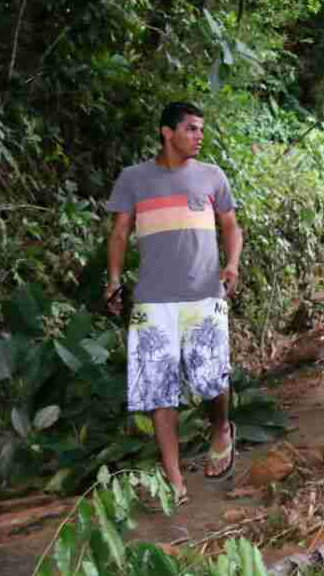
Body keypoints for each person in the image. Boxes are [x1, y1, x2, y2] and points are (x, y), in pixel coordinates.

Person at [104, 102, 242, 508]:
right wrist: (113, 279)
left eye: (201, 129)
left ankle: (221, 429)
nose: (199, 136)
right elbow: (119, 233)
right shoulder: (134, 179)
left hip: (205, 294)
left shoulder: (212, 176)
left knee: (212, 379)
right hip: (152, 299)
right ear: (167, 132)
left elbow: (231, 226)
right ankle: (175, 477)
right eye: (191, 129)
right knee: (158, 390)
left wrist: (231, 265)